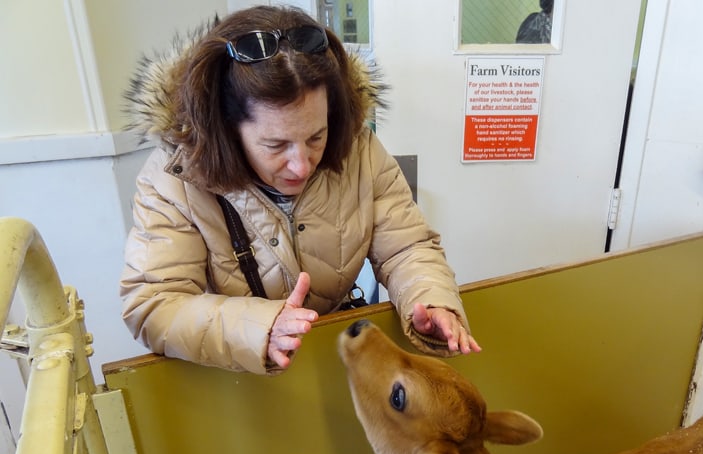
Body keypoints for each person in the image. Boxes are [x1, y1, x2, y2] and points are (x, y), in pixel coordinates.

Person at [120, 5, 481, 375]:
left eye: (316, 137)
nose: (302, 165)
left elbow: (407, 247)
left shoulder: (359, 148)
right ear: (225, 128)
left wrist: (432, 300)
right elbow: (154, 304)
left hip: (335, 358)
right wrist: (260, 329)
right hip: (233, 380)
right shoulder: (175, 178)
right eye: (276, 146)